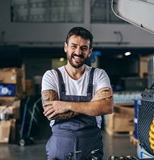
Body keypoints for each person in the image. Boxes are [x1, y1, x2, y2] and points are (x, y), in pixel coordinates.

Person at [41, 27, 114, 160]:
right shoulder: (51, 76)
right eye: (74, 46)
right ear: (66, 47)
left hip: (91, 146)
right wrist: (92, 105)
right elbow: (52, 113)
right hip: (60, 147)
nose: (78, 52)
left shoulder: (99, 75)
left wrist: (66, 105)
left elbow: (106, 107)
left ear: (90, 51)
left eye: (84, 48)